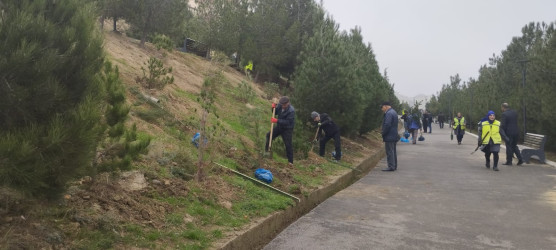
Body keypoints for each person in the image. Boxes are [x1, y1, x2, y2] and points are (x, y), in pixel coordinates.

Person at [265, 96, 295, 167]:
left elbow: (288, 122)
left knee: (288, 145)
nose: (283, 106)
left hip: (287, 129)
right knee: (269, 135)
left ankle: (290, 162)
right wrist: (273, 108)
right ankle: (267, 152)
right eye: (282, 105)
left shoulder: (291, 111)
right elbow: (275, 113)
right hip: (279, 127)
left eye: (284, 105)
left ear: (288, 103)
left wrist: (277, 120)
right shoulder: (280, 105)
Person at [380, 101, 398, 171]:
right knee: (393, 151)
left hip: (389, 135)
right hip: (394, 135)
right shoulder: (393, 112)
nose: (382, 109)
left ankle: (391, 166)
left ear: (385, 106)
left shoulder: (389, 113)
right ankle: (394, 165)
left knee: (390, 151)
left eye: (382, 107)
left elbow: (387, 124)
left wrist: (383, 132)